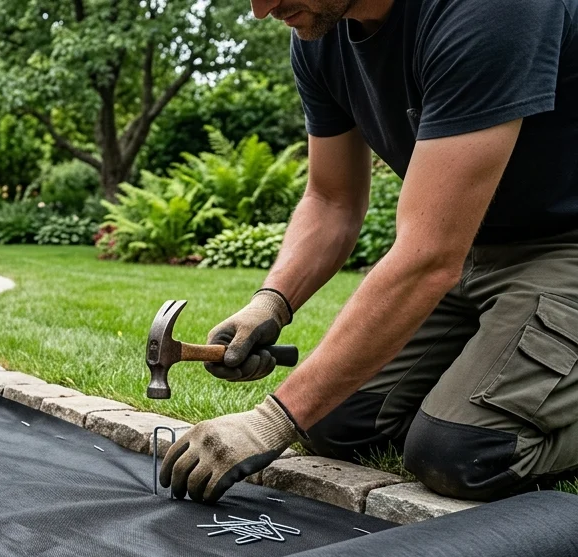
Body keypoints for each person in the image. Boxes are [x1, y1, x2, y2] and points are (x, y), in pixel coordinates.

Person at [161, 0, 578, 503]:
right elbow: (332, 200)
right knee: (335, 423)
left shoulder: (491, 10)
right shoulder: (321, 35)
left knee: (461, 452)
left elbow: (427, 258)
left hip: (564, 248)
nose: (260, 9)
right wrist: (270, 302)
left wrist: (270, 420)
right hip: (474, 250)